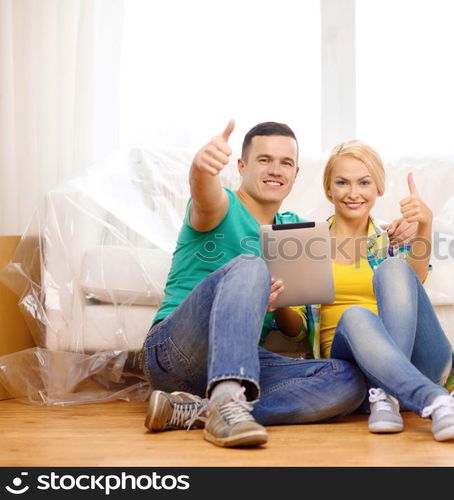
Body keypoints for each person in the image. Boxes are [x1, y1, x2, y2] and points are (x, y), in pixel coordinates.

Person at [141, 121, 377, 448]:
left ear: (295, 174)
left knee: (348, 380)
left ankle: (201, 410)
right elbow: (204, 195)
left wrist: (399, 233)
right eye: (264, 160)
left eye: (285, 163)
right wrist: (200, 167)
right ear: (241, 166)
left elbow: (347, 238)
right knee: (253, 265)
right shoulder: (221, 207)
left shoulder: (295, 230)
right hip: (177, 353)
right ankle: (224, 403)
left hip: (245, 362)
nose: (275, 170)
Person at [276, 140, 454, 442]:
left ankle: (388, 393)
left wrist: (424, 225)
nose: (353, 193)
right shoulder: (307, 244)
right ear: (329, 189)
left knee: (394, 269)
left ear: (378, 187)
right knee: (355, 316)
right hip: (350, 369)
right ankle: (429, 399)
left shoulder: (393, 237)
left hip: (420, 364)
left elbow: (414, 281)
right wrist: (279, 302)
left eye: (364, 182)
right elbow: (296, 330)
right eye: (342, 182)